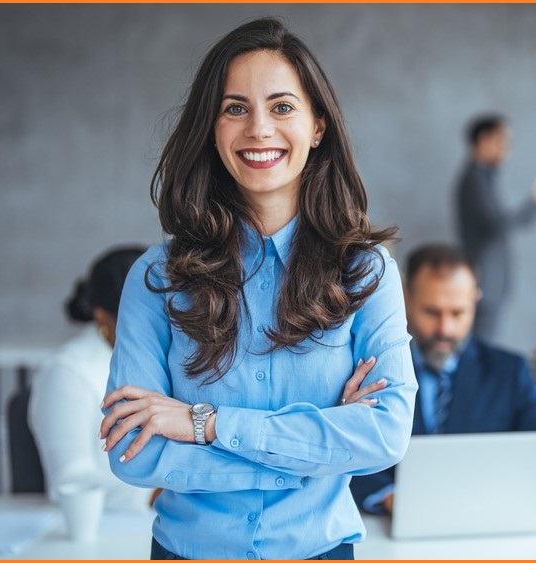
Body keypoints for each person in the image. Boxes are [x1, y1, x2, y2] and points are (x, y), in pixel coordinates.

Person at [97, 18, 417, 560]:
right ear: (212, 127)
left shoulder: (367, 274)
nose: (259, 129)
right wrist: (314, 449)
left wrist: (203, 422)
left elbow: (385, 436)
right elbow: (134, 453)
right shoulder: (158, 278)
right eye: (235, 107)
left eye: (282, 106)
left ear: (318, 126)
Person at [349, 244, 536, 514]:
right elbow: (346, 452)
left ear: (475, 301)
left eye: (458, 313)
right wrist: (389, 497)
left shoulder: (508, 372)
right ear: (405, 298)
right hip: (388, 531)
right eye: (432, 312)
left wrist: (492, 502)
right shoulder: (370, 371)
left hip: (486, 527)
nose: (445, 329)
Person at [28, 246, 152, 513]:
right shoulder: (67, 372)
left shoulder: (167, 359)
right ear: (101, 316)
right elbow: (70, 480)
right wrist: (159, 492)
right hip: (109, 530)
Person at [455, 114, 536, 340]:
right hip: (486, 281)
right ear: (484, 140)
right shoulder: (474, 179)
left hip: (491, 281)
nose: (507, 149)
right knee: (480, 349)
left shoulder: (484, 177)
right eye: (503, 141)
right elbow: (497, 225)